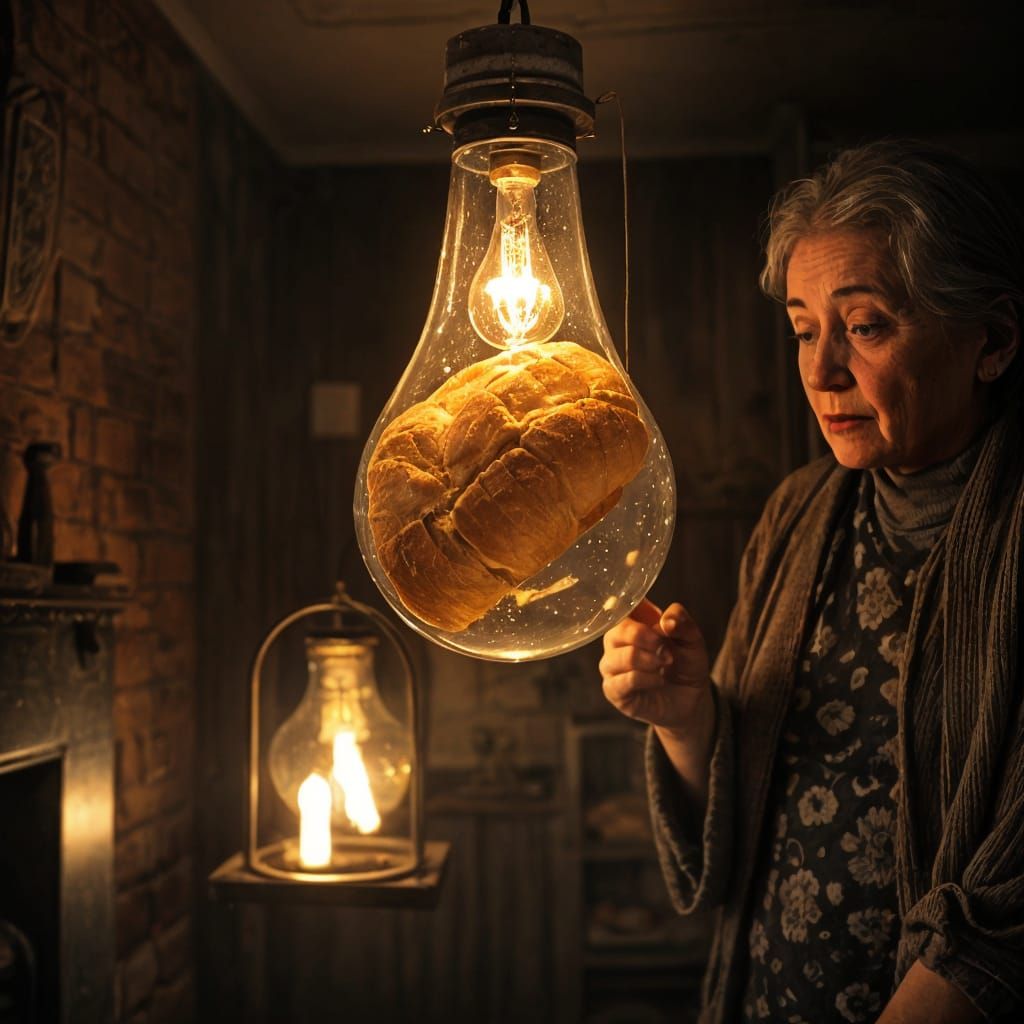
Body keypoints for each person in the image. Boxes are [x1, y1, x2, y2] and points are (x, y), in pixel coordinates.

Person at [599, 139, 1024, 1023]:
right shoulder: (798, 511)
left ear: (990, 340)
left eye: (865, 326)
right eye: (803, 330)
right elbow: (740, 804)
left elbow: (1011, 905)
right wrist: (687, 719)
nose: (822, 371)